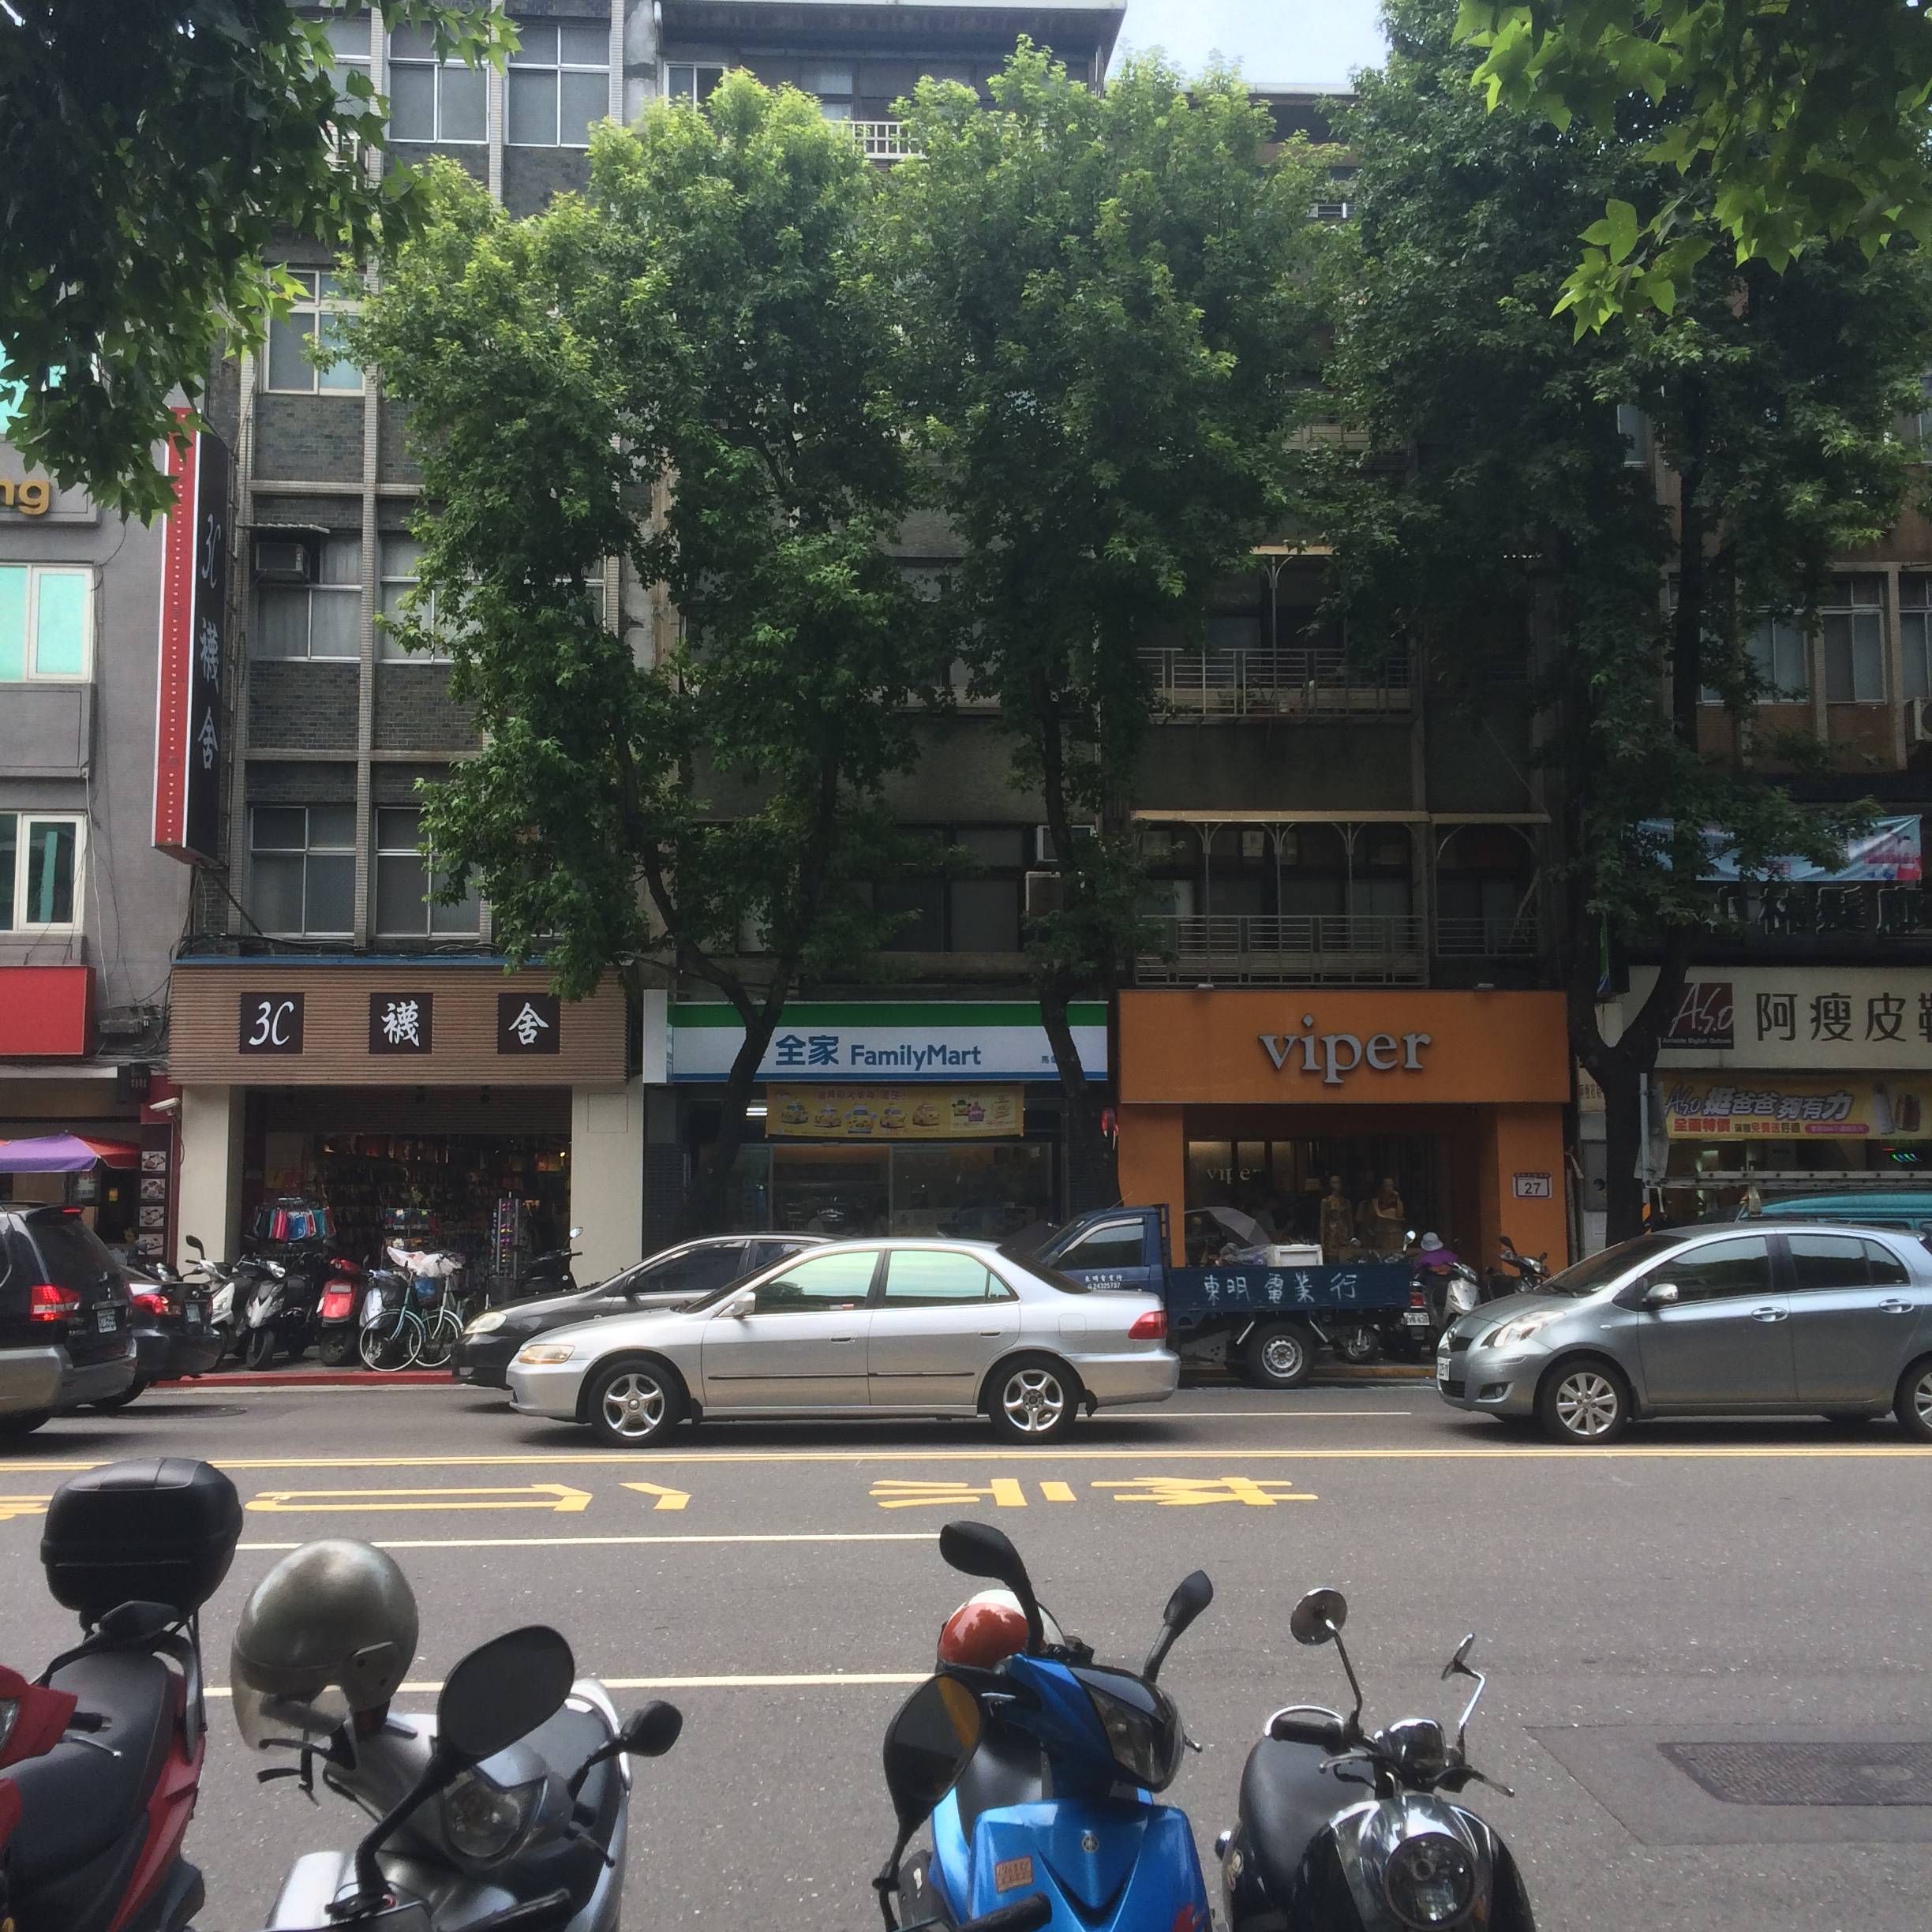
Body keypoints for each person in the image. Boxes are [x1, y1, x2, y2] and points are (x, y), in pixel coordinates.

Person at [1358, 1176, 1406, 1255]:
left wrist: (1398, 1200)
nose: (1389, 1188)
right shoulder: (1375, 1203)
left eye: (1391, 1185)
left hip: (1395, 1235)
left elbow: (1400, 1215)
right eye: (1386, 1185)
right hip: (1380, 1235)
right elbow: (1369, 1221)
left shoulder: (1396, 1202)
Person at [1319, 1175, 1354, 1263]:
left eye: (1338, 1182)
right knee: (1332, 1259)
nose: (1336, 1185)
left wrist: (1352, 1236)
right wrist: (1322, 1240)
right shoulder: (1326, 1201)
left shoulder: (1346, 1202)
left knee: (1345, 1259)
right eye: (1334, 1182)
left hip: (1344, 1234)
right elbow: (1323, 1220)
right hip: (1331, 1234)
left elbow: (1350, 1219)